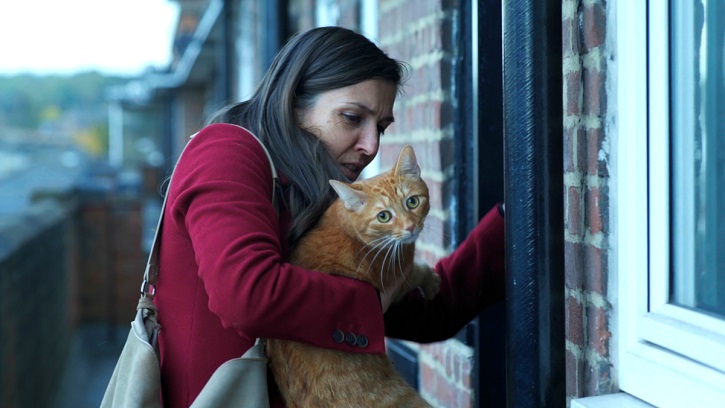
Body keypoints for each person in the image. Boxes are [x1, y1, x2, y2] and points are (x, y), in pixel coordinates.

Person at [154, 26, 505, 408]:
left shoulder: (315, 192)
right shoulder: (226, 151)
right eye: (353, 118)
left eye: (381, 128)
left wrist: (513, 220)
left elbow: (426, 312)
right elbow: (247, 296)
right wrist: (374, 300)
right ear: (294, 101)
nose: (371, 146)